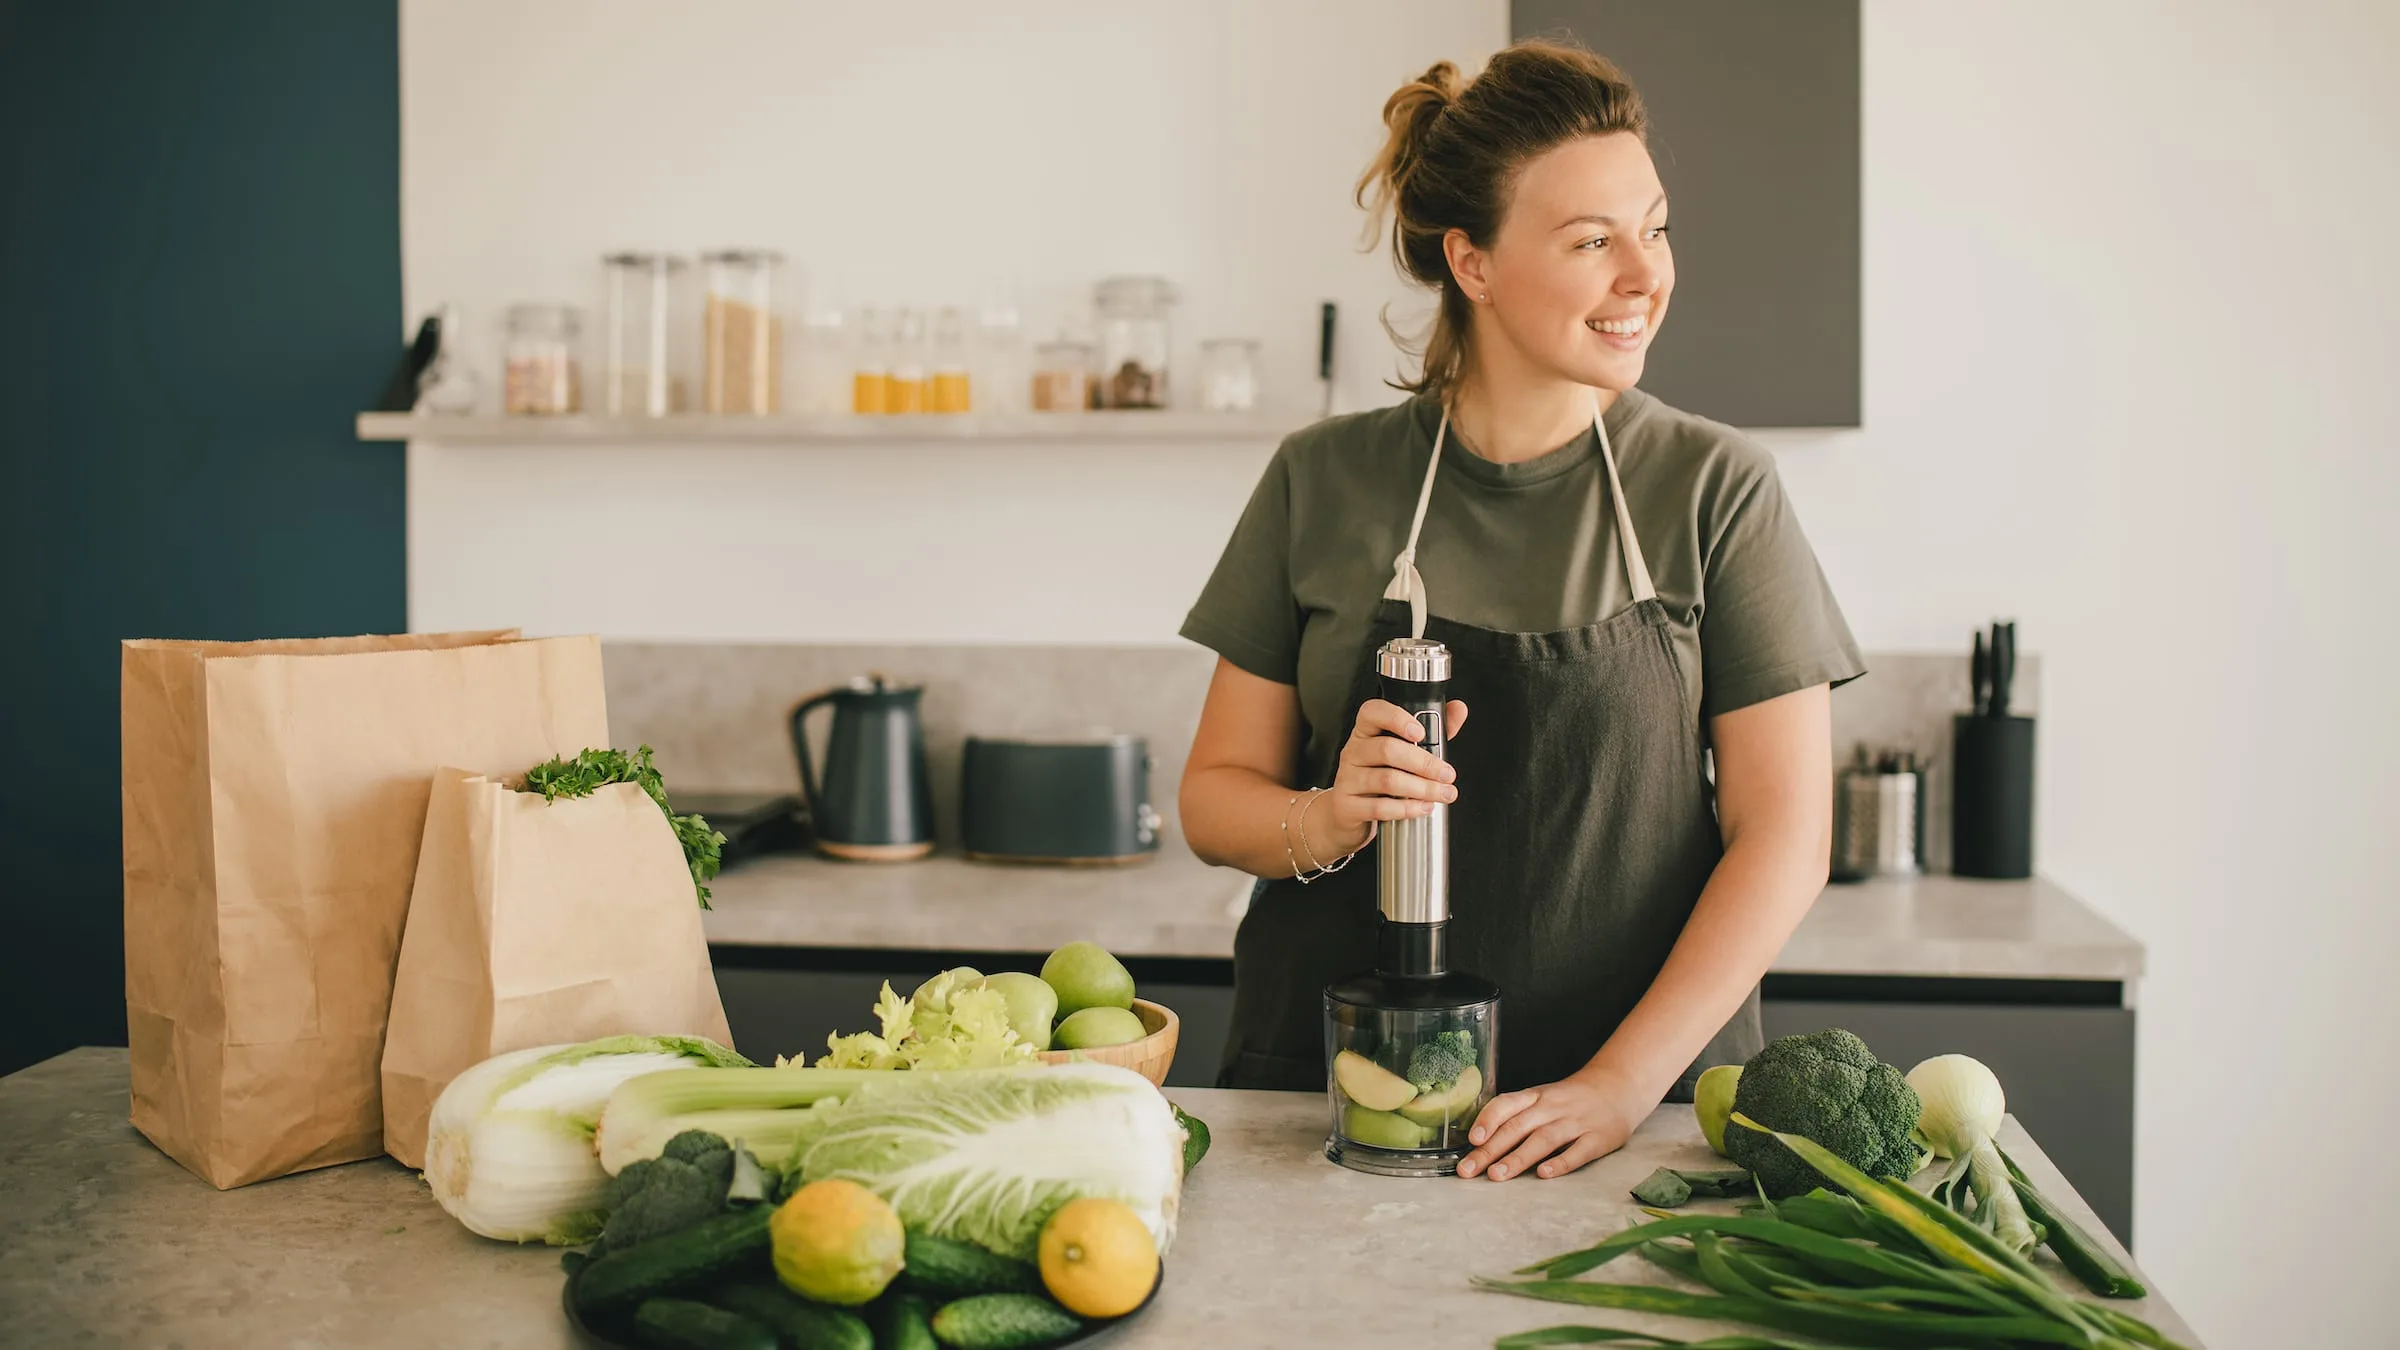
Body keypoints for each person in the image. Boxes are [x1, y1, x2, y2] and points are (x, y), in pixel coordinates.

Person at [1176, 39, 1865, 1183]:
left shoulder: (1714, 488)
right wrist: (1332, 816)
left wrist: (1619, 1085)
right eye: (1593, 242)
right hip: (1339, 1116)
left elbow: (1785, 837)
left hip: (1632, 1127)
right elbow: (1213, 799)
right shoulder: (1322, 479)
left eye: (1654, 229)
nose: (1645, 276)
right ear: (1475, 263)